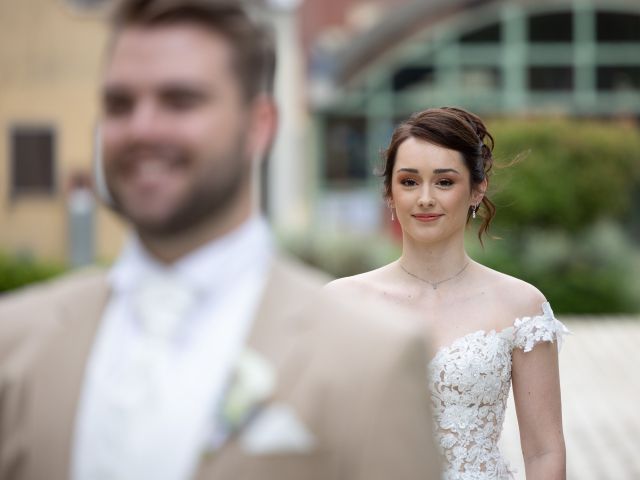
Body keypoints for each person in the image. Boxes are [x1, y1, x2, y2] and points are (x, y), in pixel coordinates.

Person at [0, 1, 442, 479]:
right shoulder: (16, 342)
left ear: (259, 125)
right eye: (120, 104)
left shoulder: (372, 355)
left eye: (180, 100)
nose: (142, 129)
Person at [326, 107, 568, 479]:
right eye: (408, 181)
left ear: (476, 189)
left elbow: (544, 451)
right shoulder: (342, 303)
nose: (425, 198)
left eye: (444, 182)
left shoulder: (521, 306)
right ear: (389, 193)